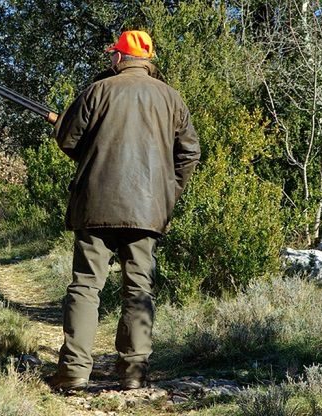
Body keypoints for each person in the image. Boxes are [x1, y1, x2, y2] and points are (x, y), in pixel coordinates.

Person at [48, 30, 200, 391]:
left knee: (86, 286)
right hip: (148, 210)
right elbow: (189, 154)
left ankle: (73, 373)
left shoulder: (98, 91)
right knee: (138, 288)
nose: (110, 58)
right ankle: (133, 373)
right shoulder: (172, 98)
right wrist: (167, 194)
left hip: (95, 205)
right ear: (147, 60)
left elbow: (68, 139)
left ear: (120, 57)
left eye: (112, 53)